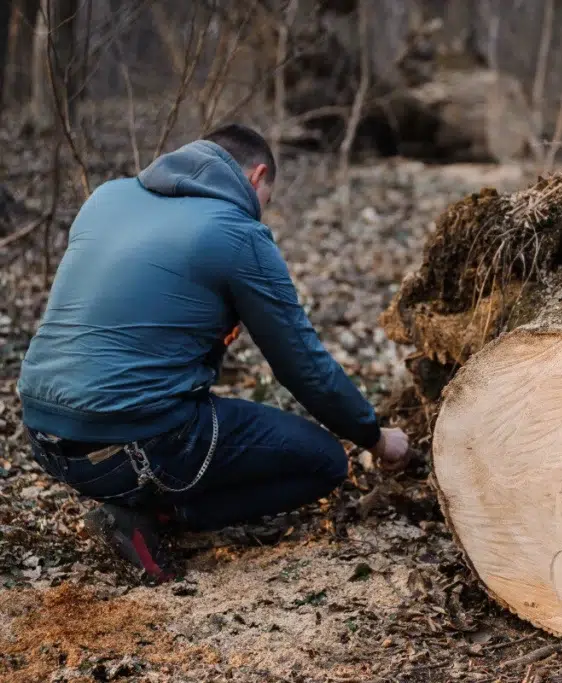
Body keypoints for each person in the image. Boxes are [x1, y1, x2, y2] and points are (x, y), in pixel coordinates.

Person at [16, 123, 410, 583]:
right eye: (267, 201)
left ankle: (133, 501)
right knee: (325, 461)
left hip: (43, 435)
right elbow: (303, 366)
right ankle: (158, 516)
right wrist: (374, 437)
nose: (262, 215)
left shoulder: (106, 198)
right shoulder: (237, 233)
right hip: (135, 447)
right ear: (257, 177)